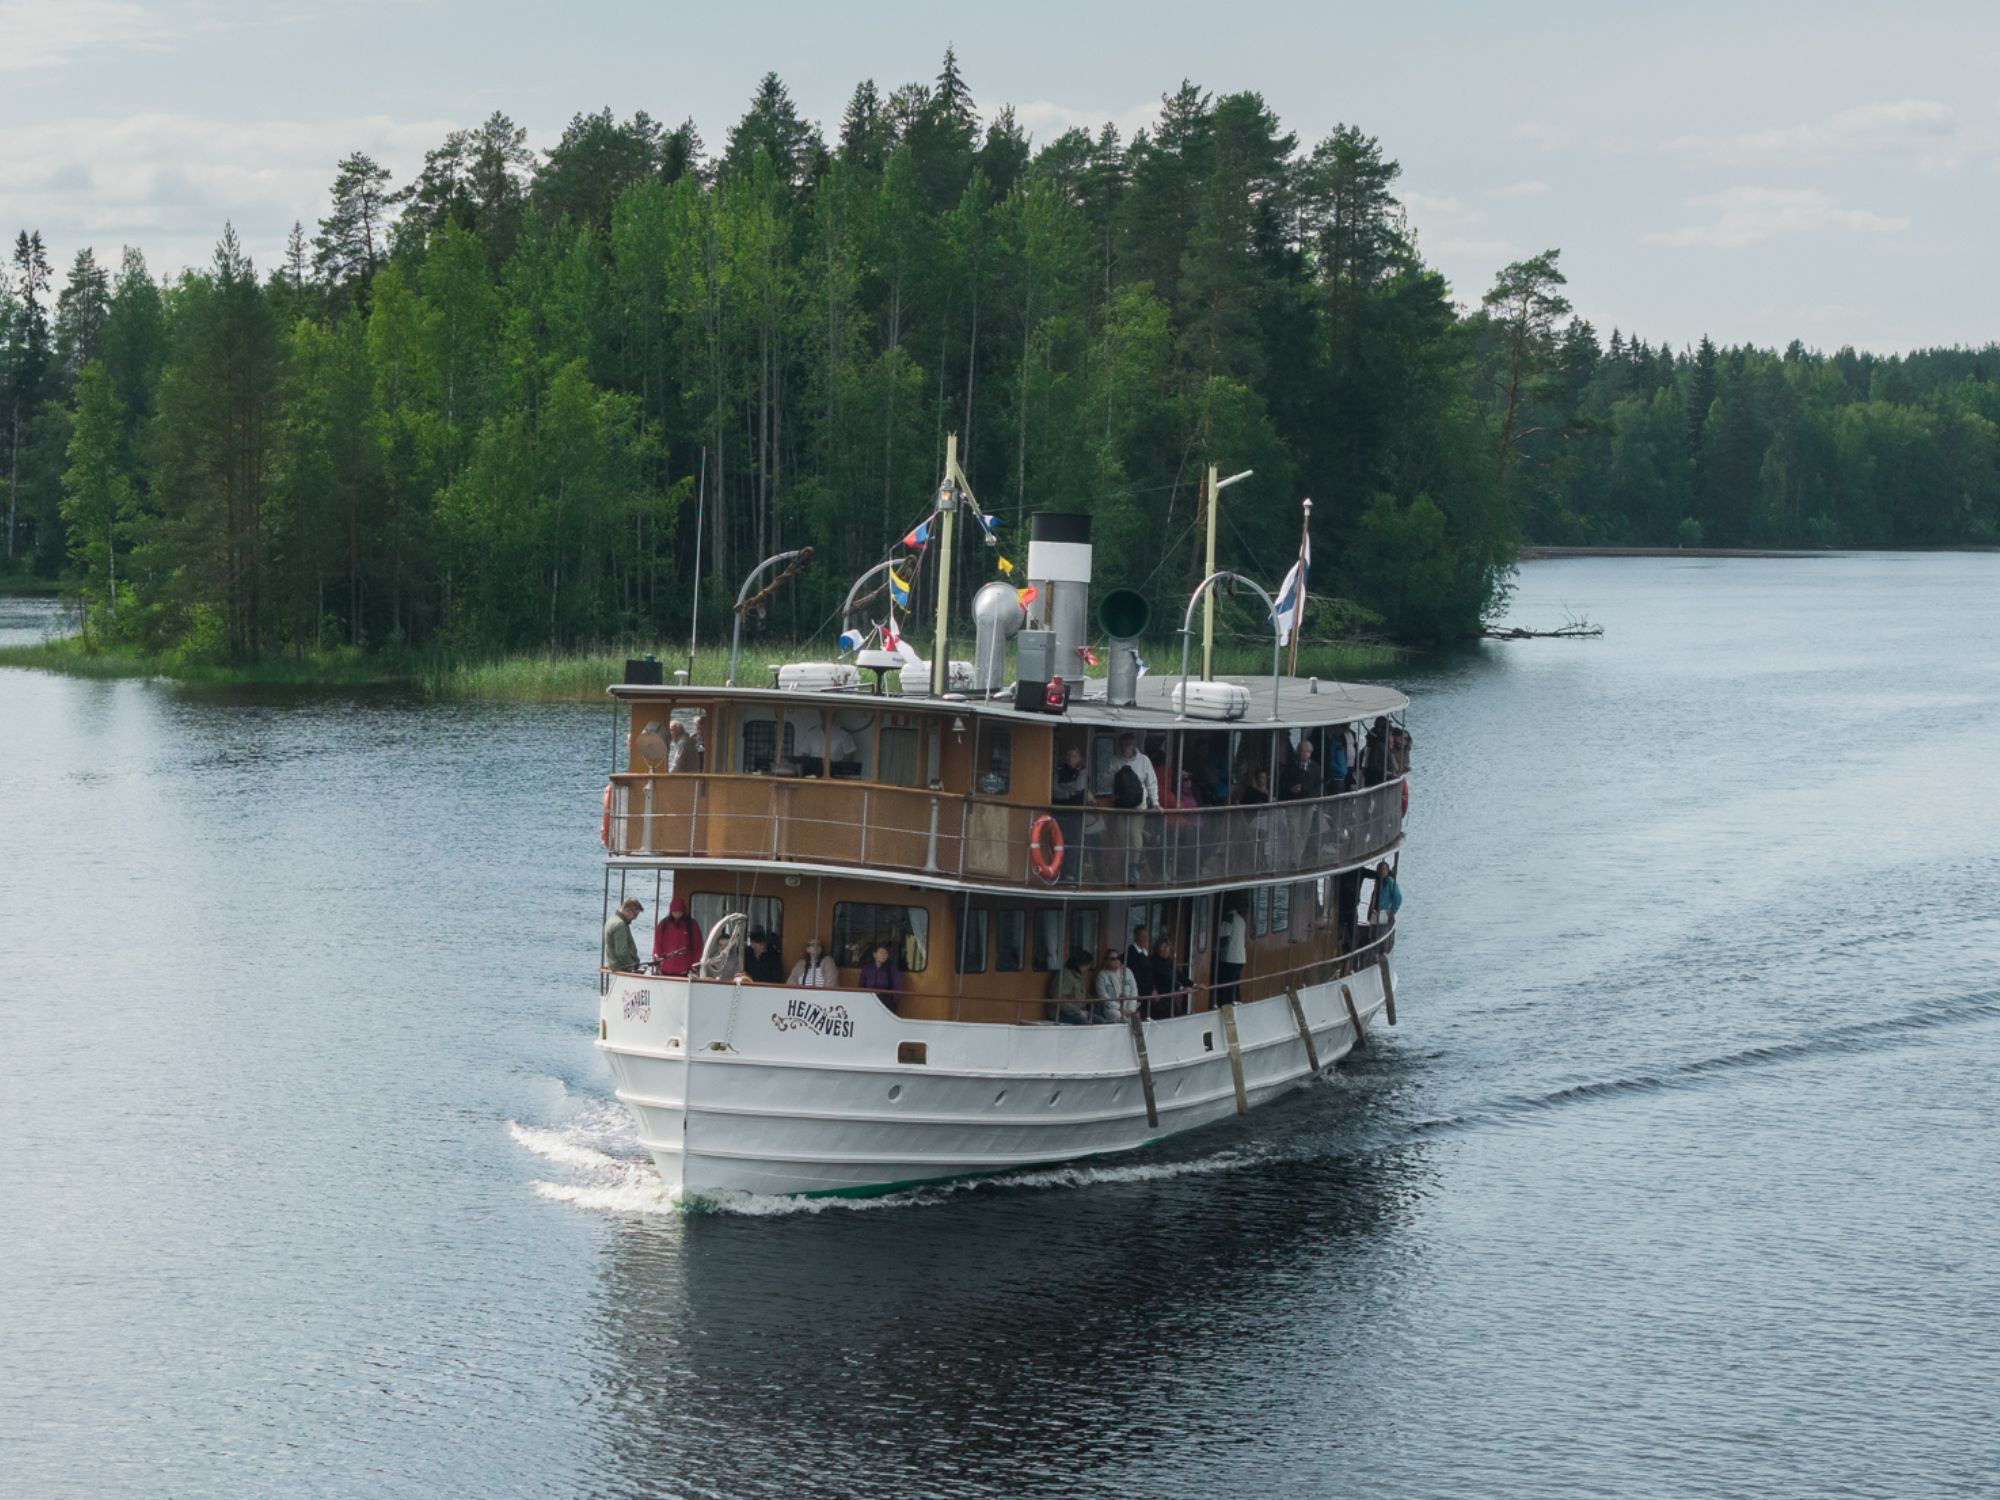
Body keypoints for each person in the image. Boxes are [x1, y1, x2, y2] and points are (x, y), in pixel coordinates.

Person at [653, 896, 700, 976]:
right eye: (674, 912)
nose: (677, 915)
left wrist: (696, 964)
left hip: (686, 968)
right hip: (666, 968)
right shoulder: (663, 925)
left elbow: (698, 945)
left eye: (679, 912)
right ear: (671, 912)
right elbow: (657, 945)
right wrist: (658, 964)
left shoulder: (691, 925)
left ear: (683, 911)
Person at [1215, 900, 1247, 1007]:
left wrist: (1217, 949)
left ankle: (1226, 1005)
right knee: (1235, 983)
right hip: (1241, 958)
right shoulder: (1241, 919)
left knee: (1228, 984)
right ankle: (1237, 1002)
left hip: (1230, 958)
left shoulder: (1229, 919)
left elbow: (1223, 937)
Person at [1093, 947, 1138, 1023]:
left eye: (1118, 958)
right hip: (1111, 1009)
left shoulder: (1127, 971)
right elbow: (1103, 997)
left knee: (1134, 1016)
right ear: (1106, 961)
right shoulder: (1101, 976)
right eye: (1113, 959)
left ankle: (1137, 1033)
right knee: (1119, 1017)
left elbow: (1134, 991)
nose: (1117, 960)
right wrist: (1120, 1008)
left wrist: (1131, 1009)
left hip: (1129, 1007)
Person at [1051, 946, 1093, 1025]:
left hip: (1075, 1011)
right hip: (1061, 1013)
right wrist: (1078, 1011)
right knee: (1084, 1022)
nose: (1087, 968)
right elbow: (1058, 999)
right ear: (1082, 964)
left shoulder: (1076, 975)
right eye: (1087, 965)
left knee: (1099, 1020)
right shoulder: (1066, 976)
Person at [1151, 936, 1190, 1019]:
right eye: (1163, 947)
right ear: (1158, 949)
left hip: (1170, 996)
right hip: (1160, 997)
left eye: (1167, 948)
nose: (1166, 950)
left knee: (1175, 1015)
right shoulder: (1154, 961)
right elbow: (1166, 977)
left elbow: (1179, 975)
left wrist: (1194, 984)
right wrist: (1181, 988)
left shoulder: (1169, 961)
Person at [602, 898, 643, 973]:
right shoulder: (620, 924)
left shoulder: (612, 919)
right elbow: (621, 952)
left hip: (614, 965)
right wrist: (633, 967)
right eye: (635, 914)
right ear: (627, 910)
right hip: (622, 968)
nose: (635, 918)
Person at [859, 941, 902, 1008]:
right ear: (875, 955)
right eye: (881, 952)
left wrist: (893, 1001)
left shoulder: (892, 969)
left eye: (886, 953)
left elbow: (897, 987)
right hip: (868, 999)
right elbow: (861, 985)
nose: (884, 955)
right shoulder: (867, 969)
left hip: (885, 1000)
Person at [1125, 925, 1156, 1000]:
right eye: (1142, 936)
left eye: (1147, 936)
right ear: (1135, 937)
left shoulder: (1145, 953)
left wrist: (1154, 989)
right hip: (1140, 994)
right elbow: (1136, 977)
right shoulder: (1131, 954)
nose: (1145, 939)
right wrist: (1149, 992)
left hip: (1150, 993)